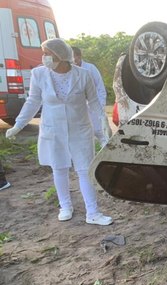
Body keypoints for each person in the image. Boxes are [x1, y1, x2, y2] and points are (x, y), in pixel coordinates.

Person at [5, 38, 112, 225]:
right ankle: (65, 206)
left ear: (61, 56)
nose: (43, 57)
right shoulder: (39, 74)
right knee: (59, 168)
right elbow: (33, 102)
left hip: (80, 129)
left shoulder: (83, 75)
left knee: (85, 170)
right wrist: (18, 125)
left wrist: (103, 125)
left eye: (47, 54)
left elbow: (94, 103)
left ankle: (93, 213)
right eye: (43, 53)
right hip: (53, 130)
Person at [72, 46, 108, 139]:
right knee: (84, 135)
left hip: (94, 106)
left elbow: (100, 88)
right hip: (79, 109)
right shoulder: (70, 71)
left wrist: (101, 105)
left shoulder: (90, 68)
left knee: (101, 133)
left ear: (79, 56)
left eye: (72, 56)